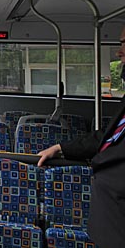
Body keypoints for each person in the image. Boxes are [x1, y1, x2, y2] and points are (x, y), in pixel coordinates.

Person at [37, 25, 125, 248]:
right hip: (110, 220)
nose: (119, 52)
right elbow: (107, 138)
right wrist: (60, 148)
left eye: (124, 43)